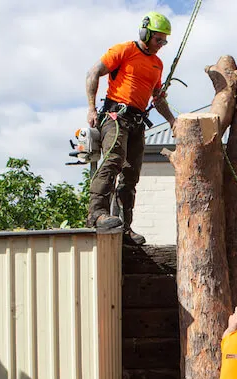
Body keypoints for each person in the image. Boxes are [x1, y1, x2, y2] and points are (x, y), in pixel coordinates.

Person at [84, 11, 176, 241]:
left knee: (131, 174)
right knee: (113, 159)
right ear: (145, 33)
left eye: (165, 41)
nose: (161, 45)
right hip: (116, 116)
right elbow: (93, 73)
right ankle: (97, 214)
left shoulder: (157, 64)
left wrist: (173, 121)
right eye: (158, 40)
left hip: (137, 122)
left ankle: (125, 227)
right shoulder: (124, 50)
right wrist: (91, 108)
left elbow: (157, 97)